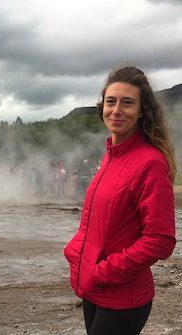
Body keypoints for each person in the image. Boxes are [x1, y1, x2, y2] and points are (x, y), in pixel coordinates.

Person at [63, 66, 177, 335]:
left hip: (124, 298)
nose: (116, 110)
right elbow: (98, 223)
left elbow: (161, 240)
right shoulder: (111, 156)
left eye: (127, 103)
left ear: (141, 111)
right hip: (95, 289)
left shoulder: (149, 163)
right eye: (110, 102)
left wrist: (104, 271)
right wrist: (75, 251)